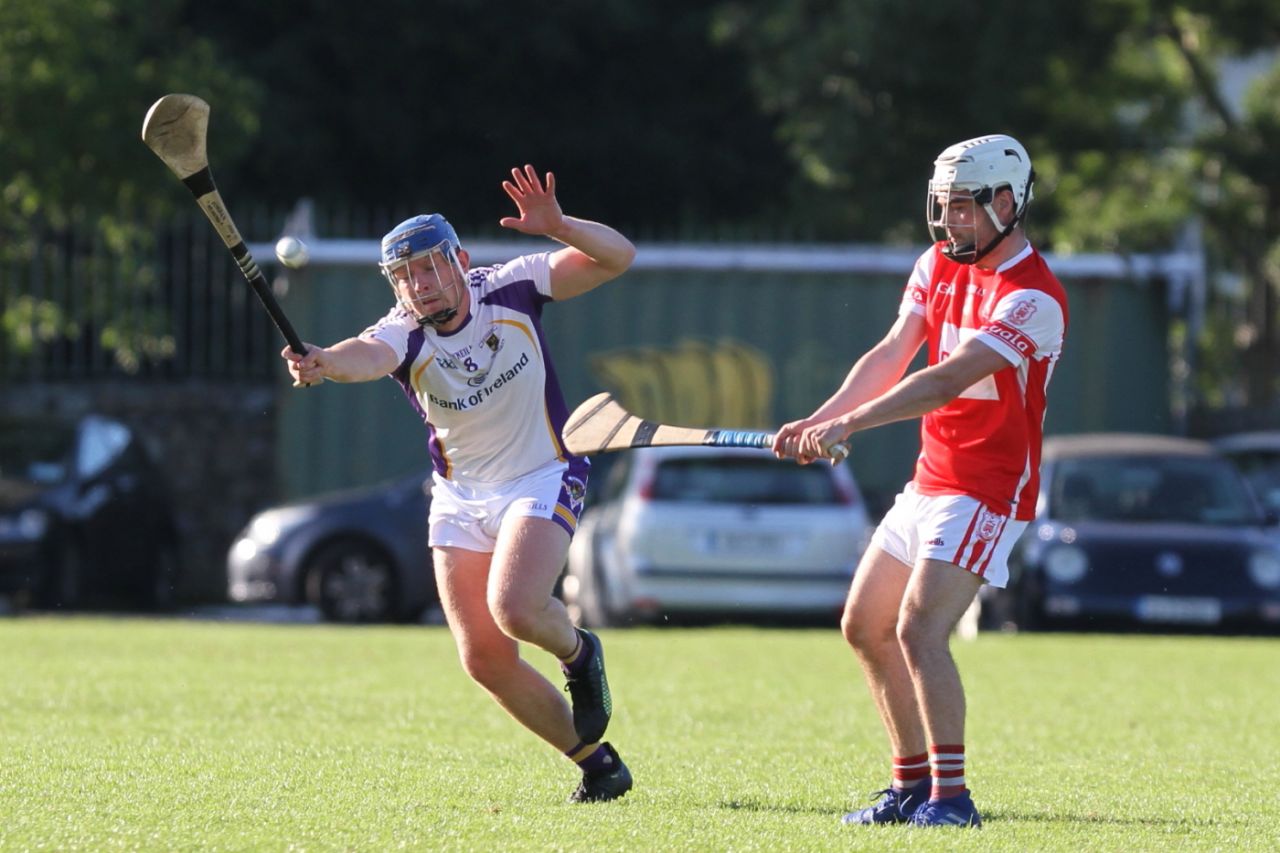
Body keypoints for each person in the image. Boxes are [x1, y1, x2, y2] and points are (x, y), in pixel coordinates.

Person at [282, 165, 637, 803]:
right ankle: (598, 765)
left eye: (428, 267)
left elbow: (618, 258)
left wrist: (560, 227)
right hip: (460, 496)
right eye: (404, 276)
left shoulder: (513, 285)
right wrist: (324, 363)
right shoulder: (404, 330)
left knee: (518, 608)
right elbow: (364, 356)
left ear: (458, 261)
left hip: (544, 472)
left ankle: (580, 653)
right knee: (484, 660)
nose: (419, 284)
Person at [772, 135, 1067, 828]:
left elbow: (943, 379)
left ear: (1007, 202)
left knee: (919, 627)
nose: (950, 222)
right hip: (931, 478)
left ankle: (952, 798)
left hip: (989, 489)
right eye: (944, 208)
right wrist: (823, 417)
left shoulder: (1035, 297)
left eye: (964, 208)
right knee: (863, 624)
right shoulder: (936, 263)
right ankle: (908, 787)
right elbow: (893, 352)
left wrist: (853, 426)